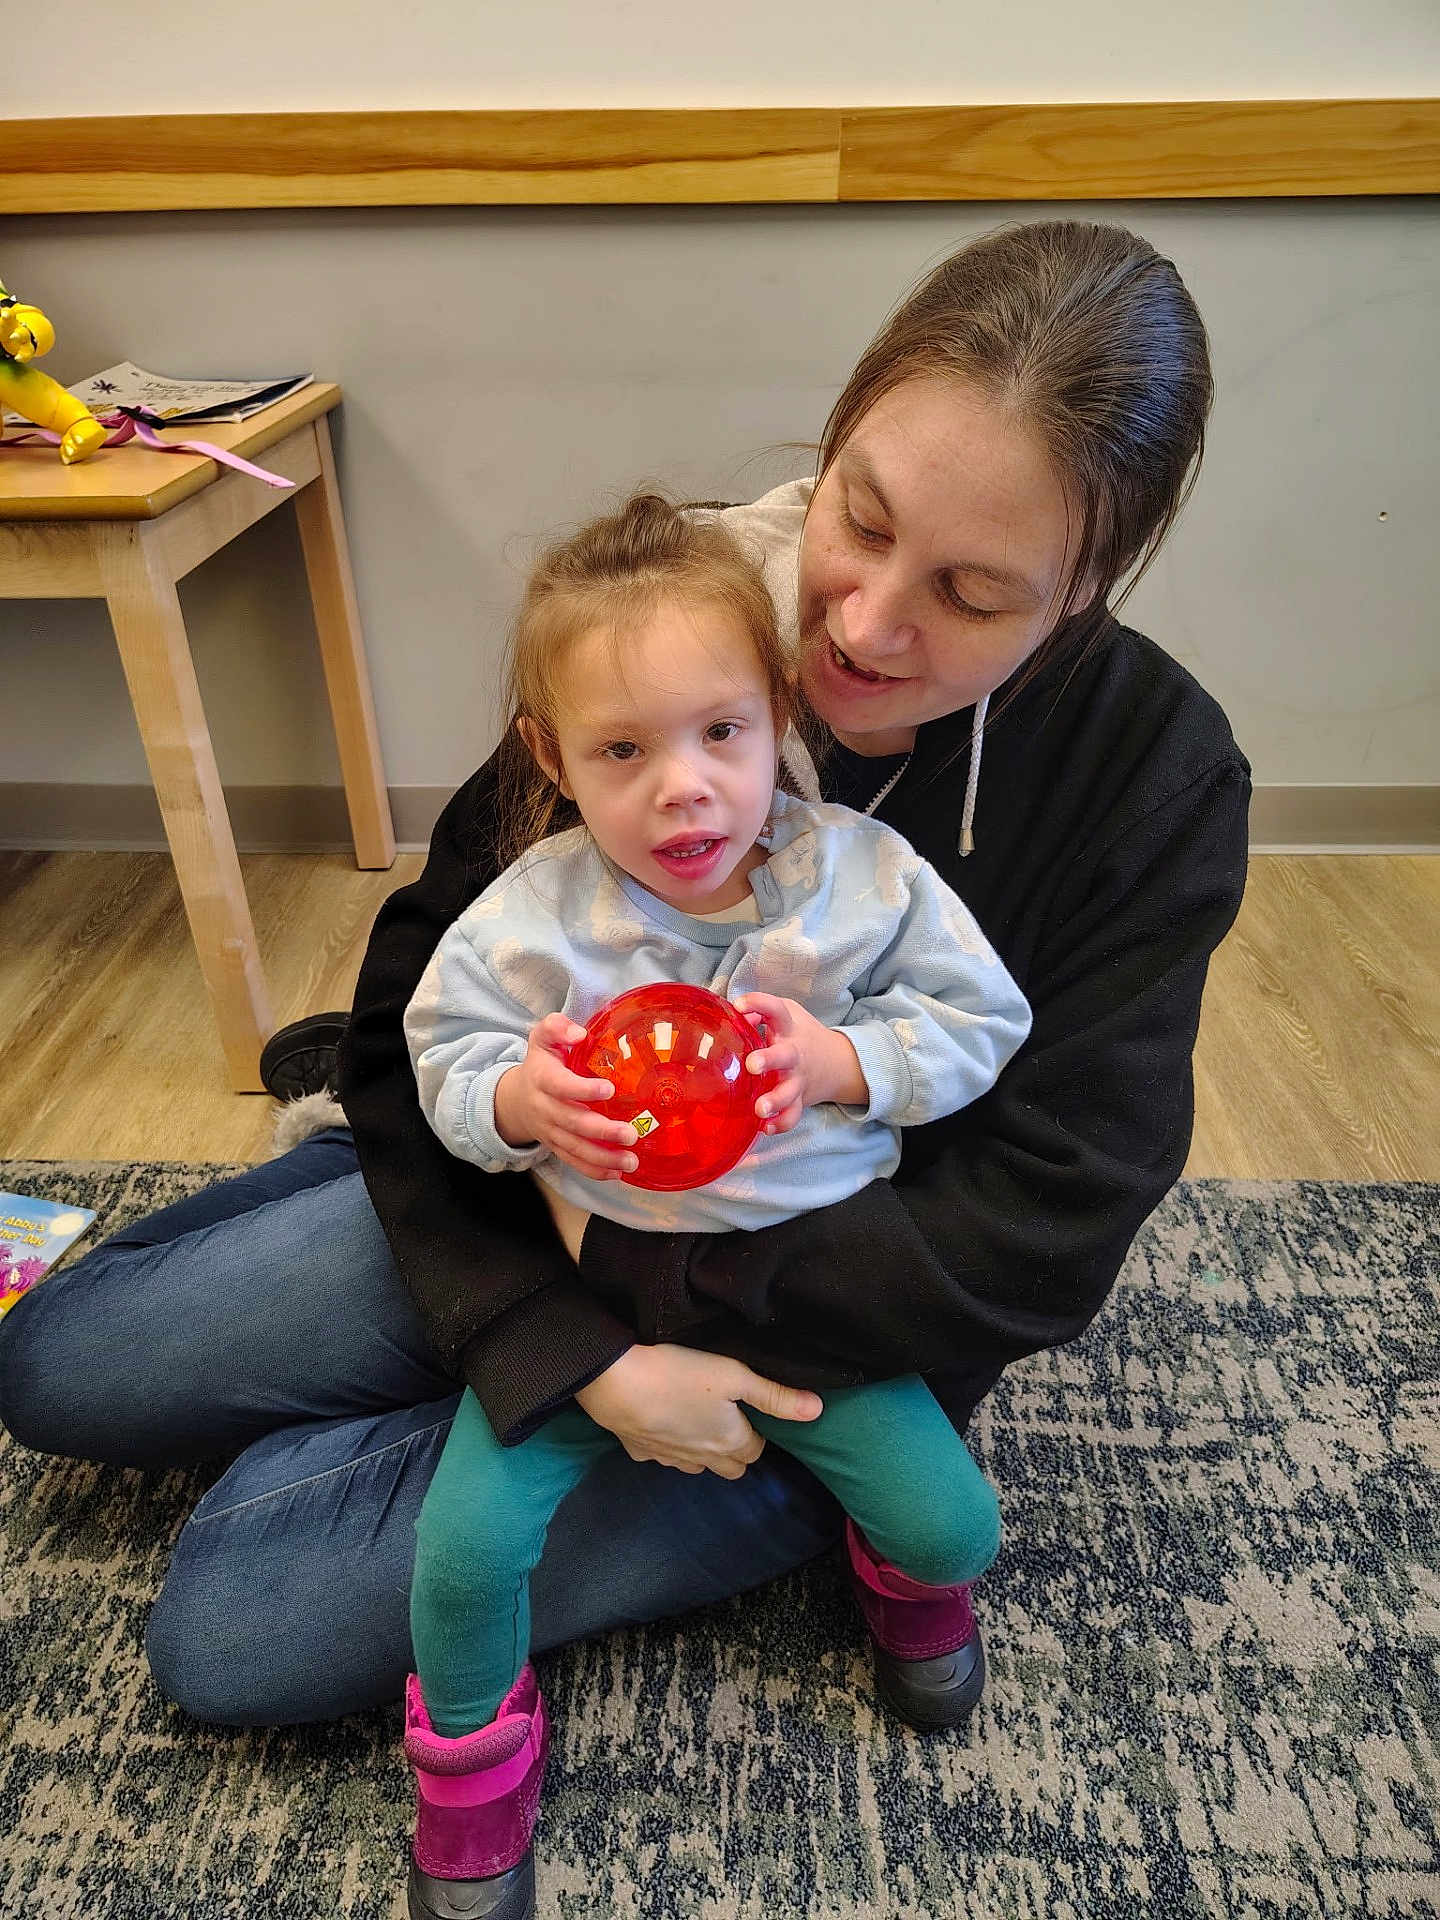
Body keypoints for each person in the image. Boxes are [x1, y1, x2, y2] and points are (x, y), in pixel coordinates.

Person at [0, 218, 1249, 1778]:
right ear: (843, 423)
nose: (860, 627)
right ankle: (391, 1282)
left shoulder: (1157, 778)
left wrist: (644, 1324)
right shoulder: (677, 616)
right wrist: (552, 1330)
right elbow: (423, 1009)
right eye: (859, 517)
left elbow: (1047, 1230)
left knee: (232, 1627)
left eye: (978, 594)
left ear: (1085, 592)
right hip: (555, 1196)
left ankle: (437, 1386)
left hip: (824, 1328)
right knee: (56, 1368)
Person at [398, 491, 1032, 1916]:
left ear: (778, 720)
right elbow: (441, 1052)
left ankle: (881, 1562)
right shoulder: (530, 915)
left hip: (812, 1287)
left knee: (956, 1533)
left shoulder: (863, 883)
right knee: (461, 1553)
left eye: (722, 734)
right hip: (602, 1293)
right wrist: (516, 1102)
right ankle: (470, 1767)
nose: (684, 789)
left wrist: (846, 1061)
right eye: (625, 750)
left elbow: (985, 1023)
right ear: (553, 758)